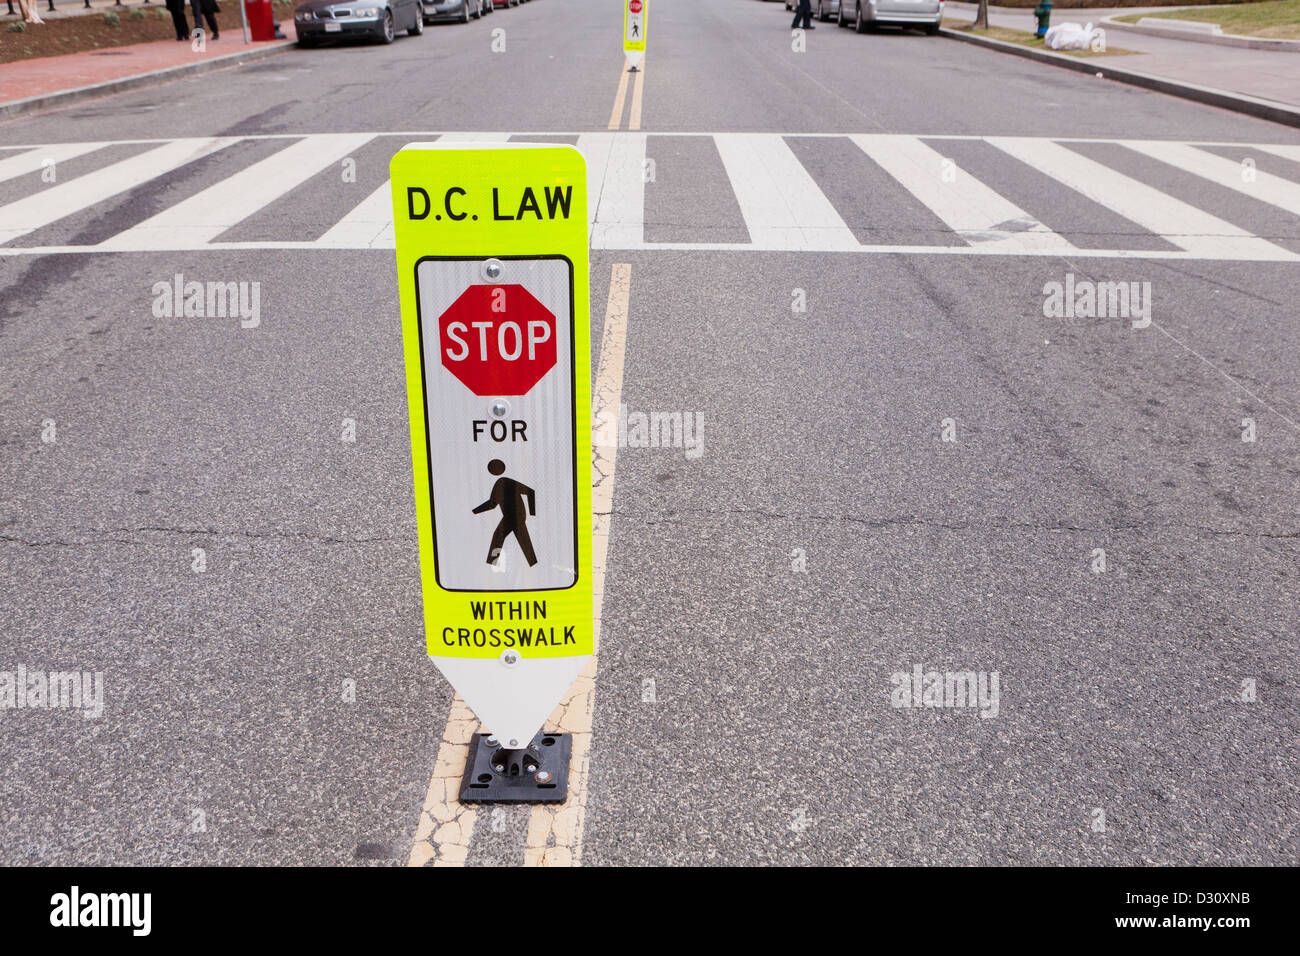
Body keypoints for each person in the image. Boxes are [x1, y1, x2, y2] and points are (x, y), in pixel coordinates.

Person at [472, 459, 538, 567]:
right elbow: (492, 504)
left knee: (499, 535)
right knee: (521, 538)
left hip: (516, 515)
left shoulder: (504, 481)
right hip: (511, 516)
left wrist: (532, 513)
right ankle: (533, 563)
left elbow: (530, 492)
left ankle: (491, 562)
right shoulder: (499, 484)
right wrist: (475, 511)